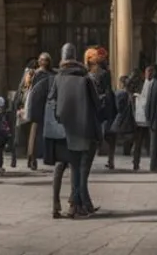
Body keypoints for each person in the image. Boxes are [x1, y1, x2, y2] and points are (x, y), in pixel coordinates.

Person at [48, 43, 101, 219]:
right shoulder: (85, 78)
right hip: (83, 129)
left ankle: (61, 204)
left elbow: (51, 101)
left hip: (64, 129)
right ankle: (75, 205)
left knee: (65, 166)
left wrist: (58, 117)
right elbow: (97, 104)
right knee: (78, 169)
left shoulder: (57, 78)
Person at [85, 49, 116, 170]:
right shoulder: (105, 73)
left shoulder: (88, 74)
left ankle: (91, 158)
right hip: (104, 105)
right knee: (109, 134)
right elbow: (108, 91)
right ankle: (111, 159)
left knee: (94, 134)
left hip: (93, 106)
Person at [24, 54, 54, 171]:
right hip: (36, 105)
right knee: (34, 132)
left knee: (45, 132)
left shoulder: (51, 74)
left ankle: (47, 155)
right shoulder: (35, 74)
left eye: (45, 60)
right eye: (41, 60)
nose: (43, 62)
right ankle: (31, 157)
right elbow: (29, 89)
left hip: (47, 105)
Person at [10, 58, 37, 169]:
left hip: (25, 111)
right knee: (23, 136)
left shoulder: (27, 83)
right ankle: (17, 157)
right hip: (24, 111)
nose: (29, 76)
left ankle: (29, 159)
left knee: (27, 136)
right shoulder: (28, 82)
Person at [108, 75, 136, 171]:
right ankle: (135, 162)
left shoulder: (119, 93)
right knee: (133, 140)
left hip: (119, 120)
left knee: (113, 141)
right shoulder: (131, 95)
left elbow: (117, 107)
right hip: (129, 121)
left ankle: (110, 161)